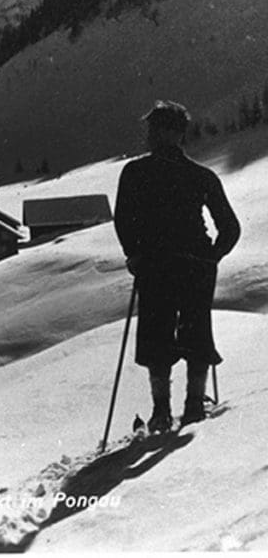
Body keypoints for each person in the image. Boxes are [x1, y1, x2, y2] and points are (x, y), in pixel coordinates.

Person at [114, 100, 240, 432]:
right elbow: (230, 228)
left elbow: (124, 220)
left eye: (155, 129)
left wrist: (135, 255)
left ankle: (161, 413)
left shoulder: (135, 172)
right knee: (196, 332)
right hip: (196, 266)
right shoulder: (201, 175)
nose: (150, 136)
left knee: (157, 336)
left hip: (155, 265)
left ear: (170, 132)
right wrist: (211, 256)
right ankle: (194, 406)